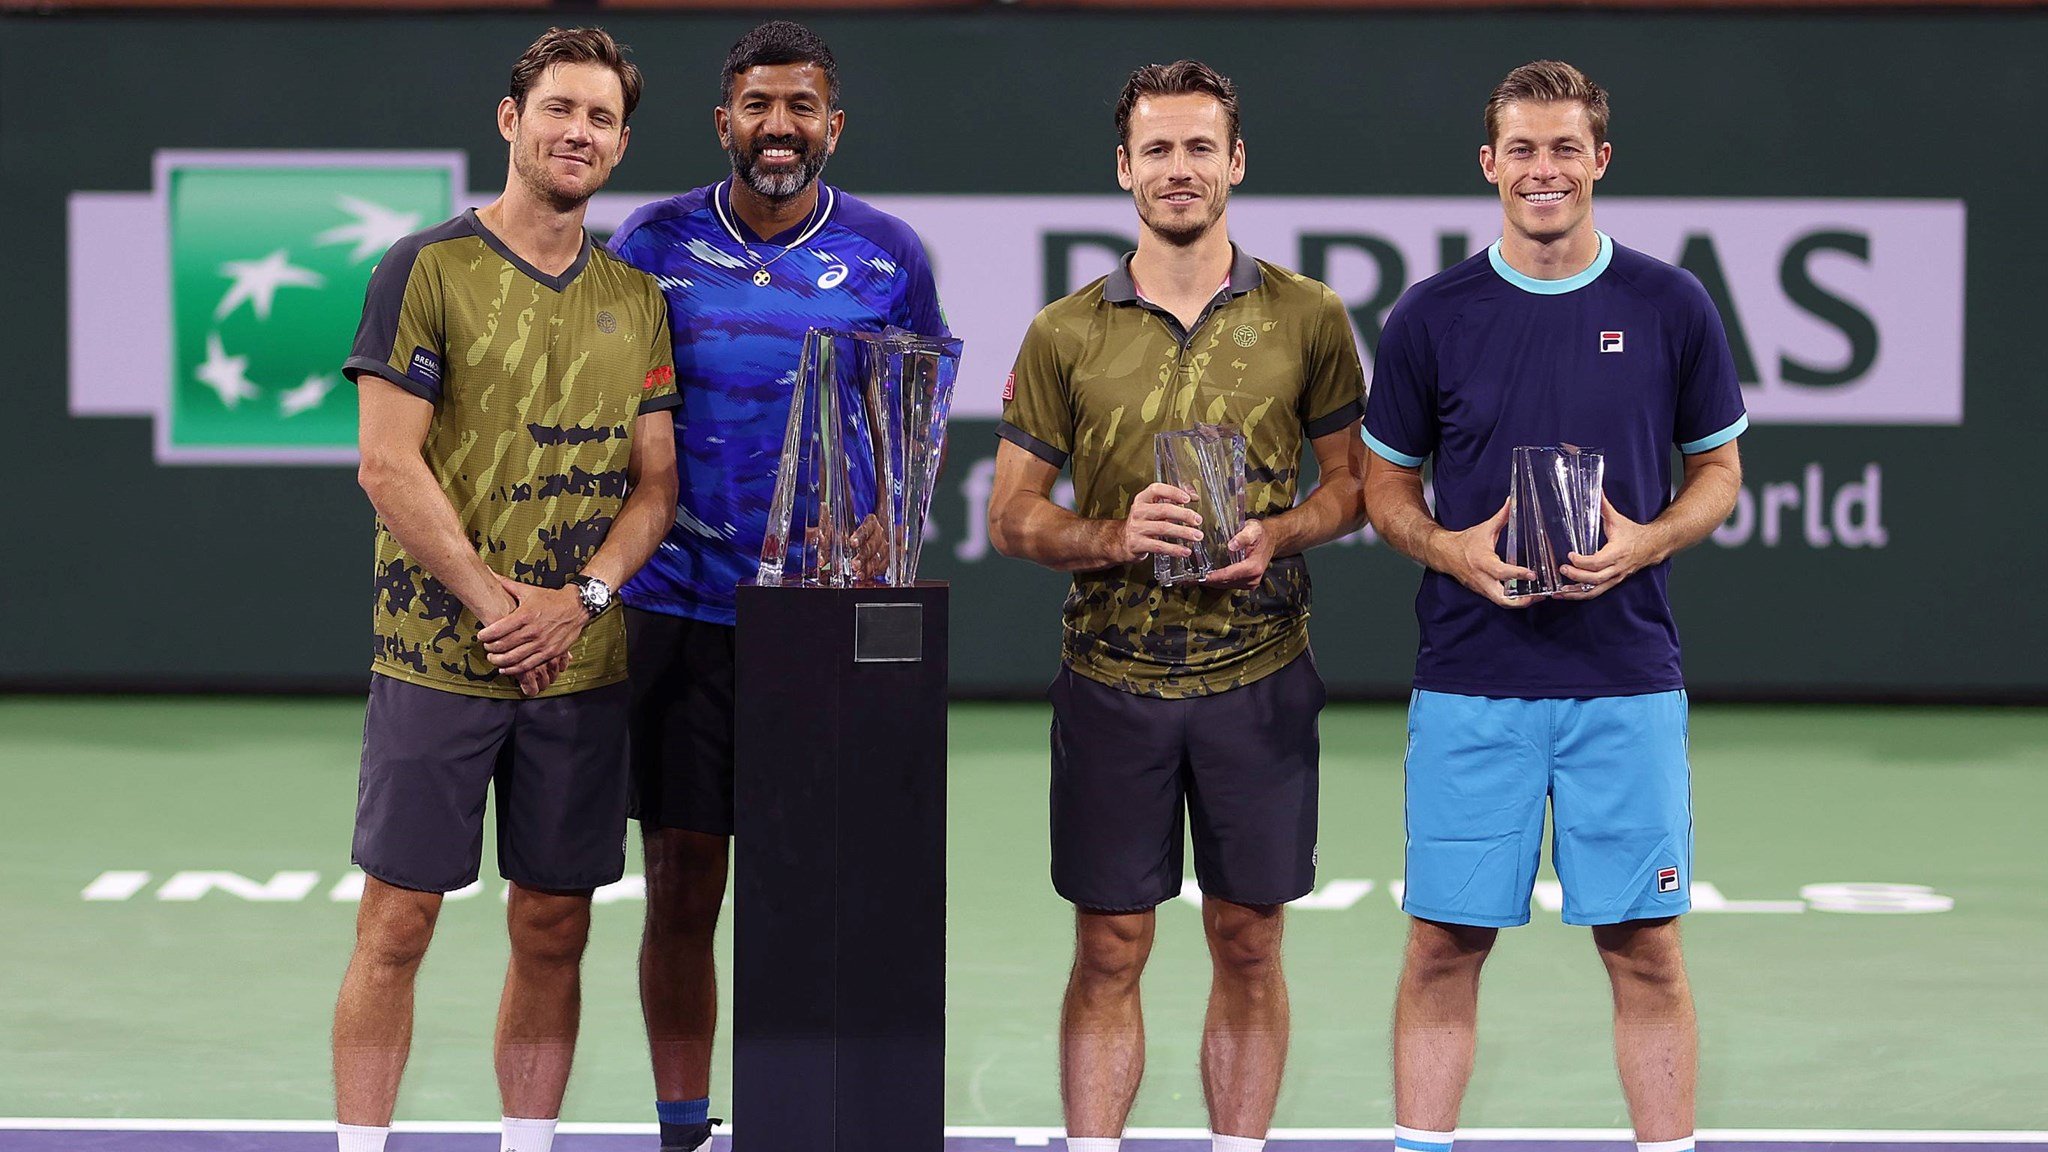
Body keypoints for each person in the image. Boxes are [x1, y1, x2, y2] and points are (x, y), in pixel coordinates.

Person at [1362, 60, 1746, 1152]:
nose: (1543, 169)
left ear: (1598, 161)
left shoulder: (1669, 303)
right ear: (1488, 165)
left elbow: (1716, 471)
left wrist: (1644, 540)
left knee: (1644, 949)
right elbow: (1384, 485)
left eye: (1563, 148)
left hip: (1622, 682)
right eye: (1521, 149)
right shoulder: (1430, 315)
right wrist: (1447, 546)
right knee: (1443, 946)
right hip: (1470, 681)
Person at [987, 59, 1366, 1152]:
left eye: (1200, 147)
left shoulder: (1309, 316)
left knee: (1248, 940)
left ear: (1234, 163)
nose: (1178, 168)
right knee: (1108, 945)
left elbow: (1354, 488)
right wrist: (1110, 536)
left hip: (1259, 679)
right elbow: (1012, 516)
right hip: (1111, 684)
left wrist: (1278, 530)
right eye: (1156, 149)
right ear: (1123, 168)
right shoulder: (1063, 332)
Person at [331, 27, 679, 1152]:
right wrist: (499, 607)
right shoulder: (424, 269)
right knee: (396, 924)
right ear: (509, 120)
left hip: (577, 665)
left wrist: (574, 602)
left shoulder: (639, 297)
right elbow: (386, 464)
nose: (576, 132)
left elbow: (654, 489)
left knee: (554, 925)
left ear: (620, 145)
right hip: (441, 657)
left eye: (598, 118)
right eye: (557, 109)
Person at [604, 20, 948, 1151]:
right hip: (679, 609)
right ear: (723, 122)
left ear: (832, 124)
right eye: (758, 106)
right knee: (682, 879)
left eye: (801, 107)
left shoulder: (890, 255)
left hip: (821, 625)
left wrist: (881, 524)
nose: (779, 128)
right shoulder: (647, 243)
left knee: (823, 888)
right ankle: (681, 1125)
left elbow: (916, 420)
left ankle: (818, 1116)